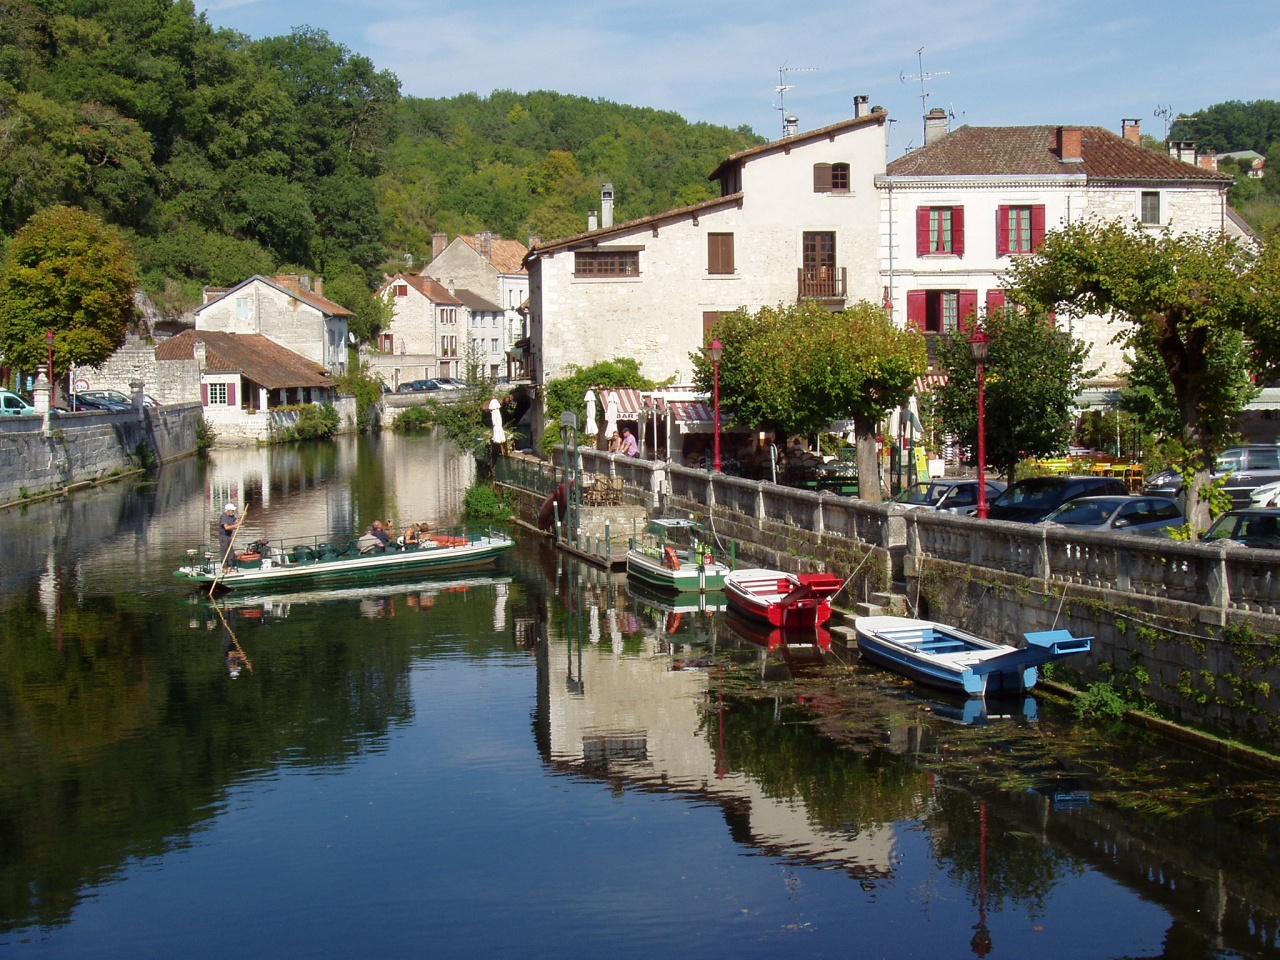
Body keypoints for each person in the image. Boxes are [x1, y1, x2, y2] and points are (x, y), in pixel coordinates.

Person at [218, 503, 241, 571]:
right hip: (223, 536)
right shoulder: (224, 517)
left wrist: (240, 520)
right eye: (232, 510)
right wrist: (235, 526)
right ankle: (224, 567)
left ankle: (230, 566)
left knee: (231, 551)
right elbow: (226, 527)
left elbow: (237, 520)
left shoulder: (232, 516)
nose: (233, 512)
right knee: (224, 551)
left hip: (229, 536)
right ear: (228, 511)